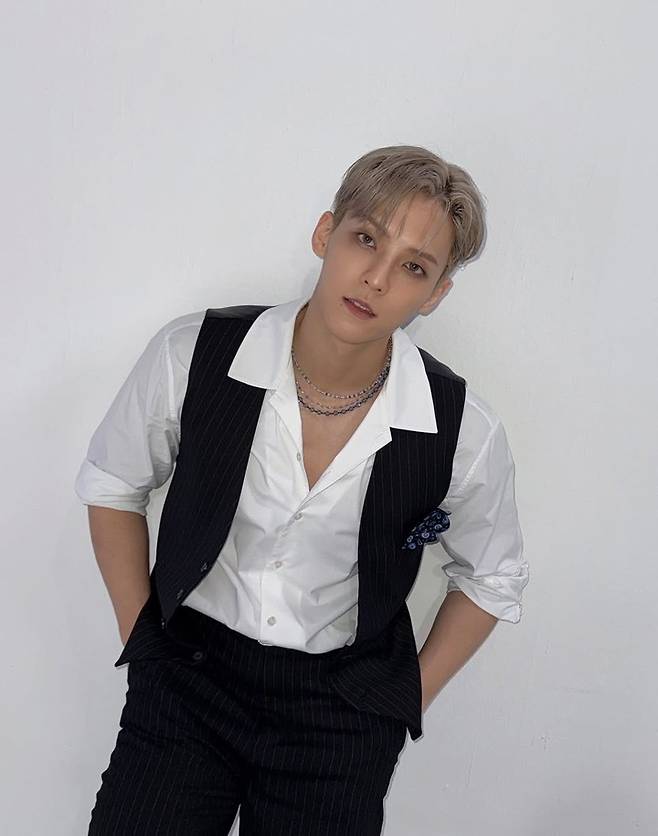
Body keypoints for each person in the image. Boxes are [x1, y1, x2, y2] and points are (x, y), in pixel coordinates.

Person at [75, 144, 529, 835]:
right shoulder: (193, 354)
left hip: (340, 716)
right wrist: (144, 642)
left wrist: (400, 706)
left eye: (413, 267)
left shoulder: (461, 428)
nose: (376, 278)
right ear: (326, 233)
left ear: (435, 294)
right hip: (187, 679)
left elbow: (493, 578)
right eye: (366, 239)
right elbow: (113, 484)